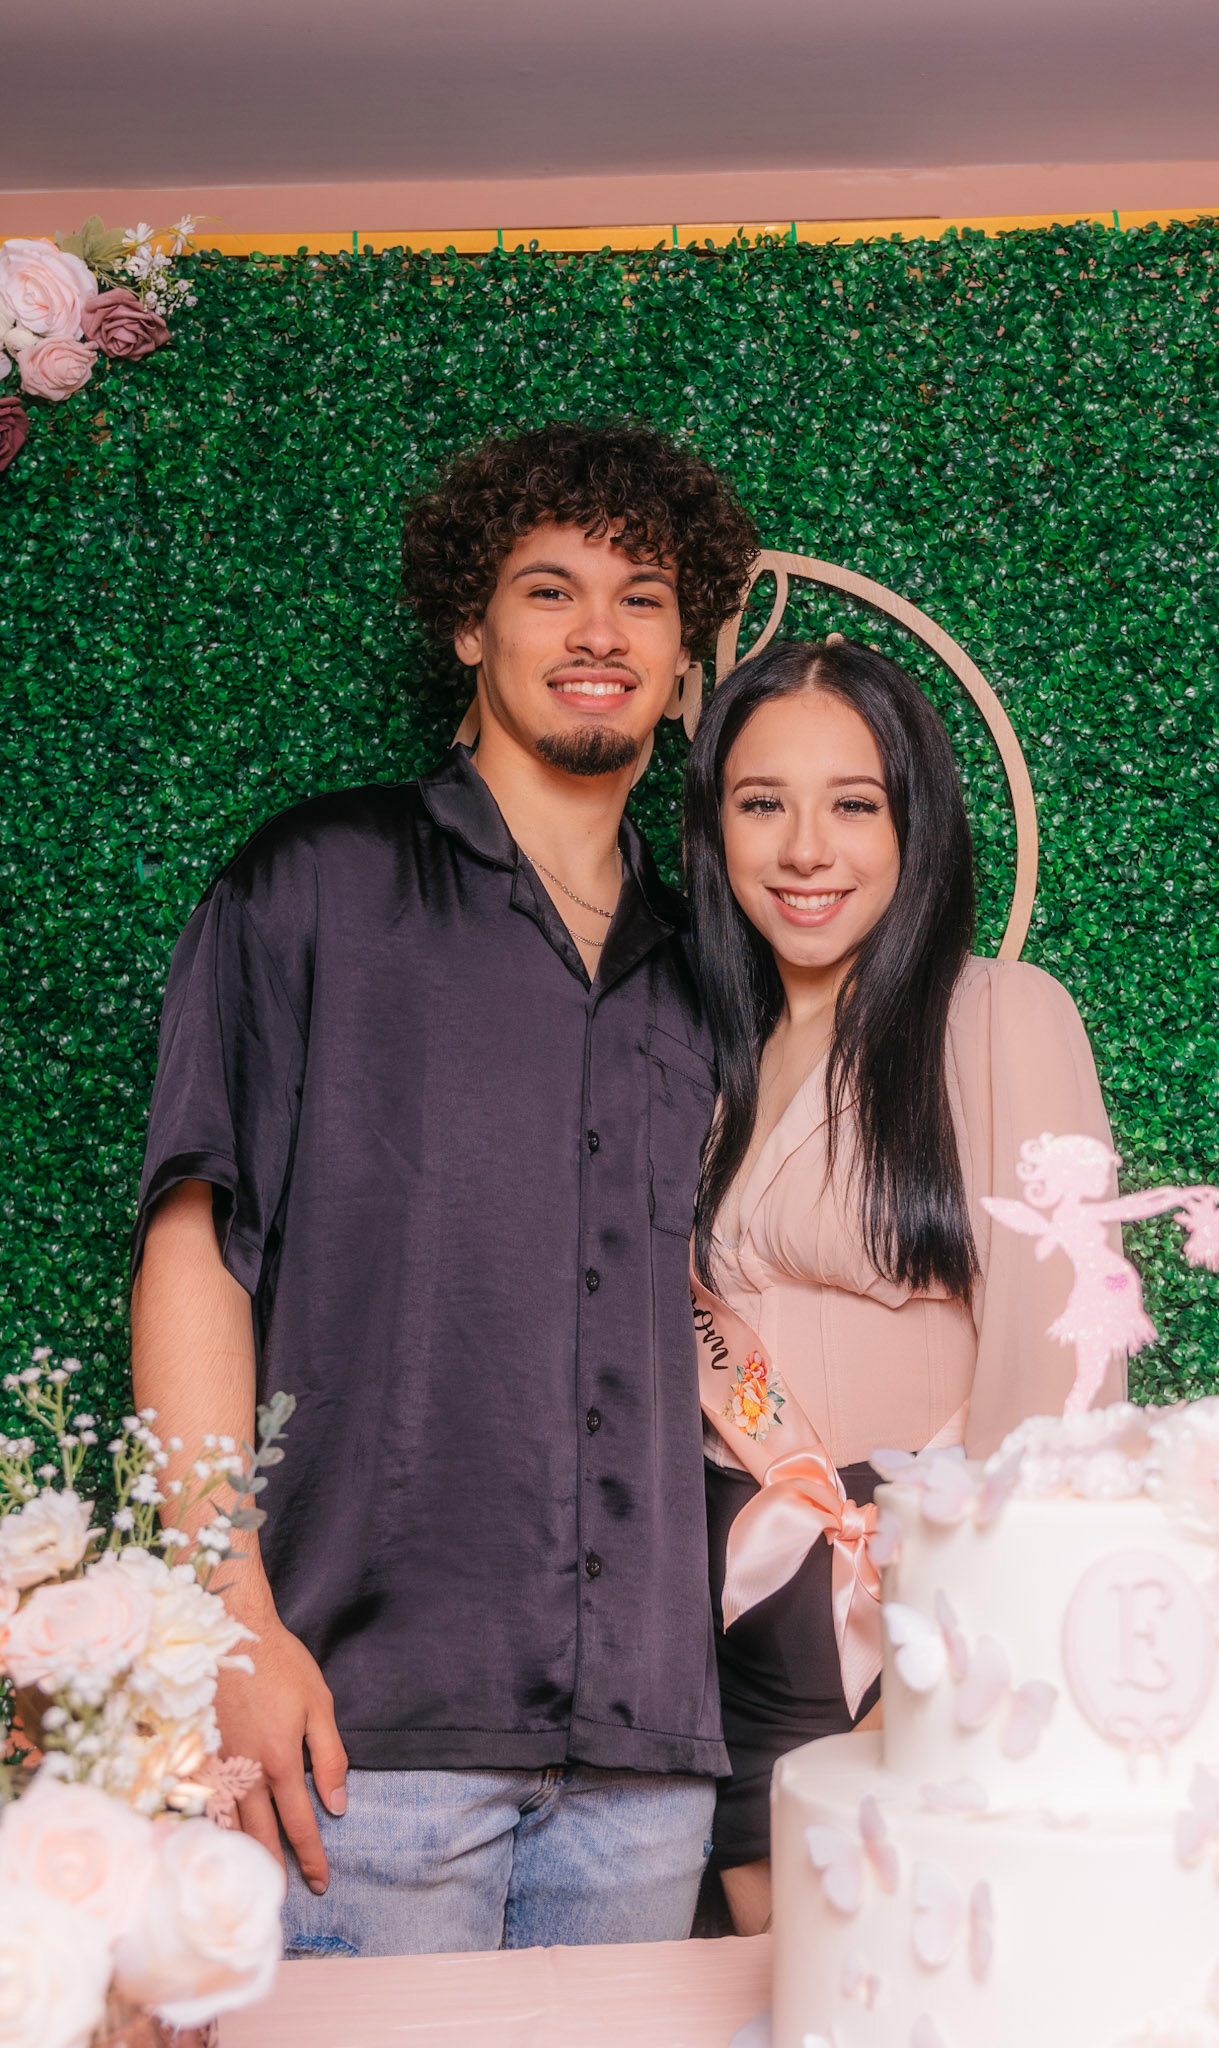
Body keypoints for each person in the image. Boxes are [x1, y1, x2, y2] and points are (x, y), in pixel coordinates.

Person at [129, 421, 759, 1957]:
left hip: (649, 1757)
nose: (599, 632)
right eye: (550, 591)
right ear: (470, 628)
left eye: (643, 597)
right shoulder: (316, 883)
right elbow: (195, 1249)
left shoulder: (715, 969)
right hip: (361, 1738)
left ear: (684, 654)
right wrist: (230, 1619)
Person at [680, 637, 1120, 1935]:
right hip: (723, 1604)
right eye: (762, 803)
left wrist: (966, 1619)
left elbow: (1063, 1361)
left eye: (854, 804)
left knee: (912, 1969)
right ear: (714, 830)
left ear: (913, 823)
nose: (804, 849)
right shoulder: (704, 1055)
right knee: (763, 1988)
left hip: (913, 1608)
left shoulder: (1000, 1016)